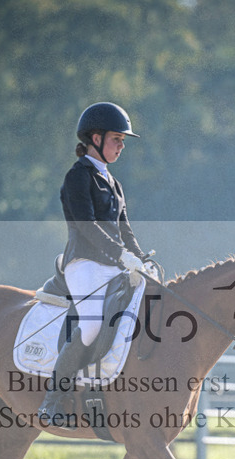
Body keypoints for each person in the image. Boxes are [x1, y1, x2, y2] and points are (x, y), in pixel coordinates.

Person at [37, 102, 149, 425]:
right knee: (91, 326)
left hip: (114, 263)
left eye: (122, 140)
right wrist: (121, 255)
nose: (121, 146)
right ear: (95, 138)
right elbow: (86, 226)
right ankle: (52, 400)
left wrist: (140, 259)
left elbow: (125, 229)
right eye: (117, 139)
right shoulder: (78, 177)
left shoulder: (113, 183)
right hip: (83, 263)